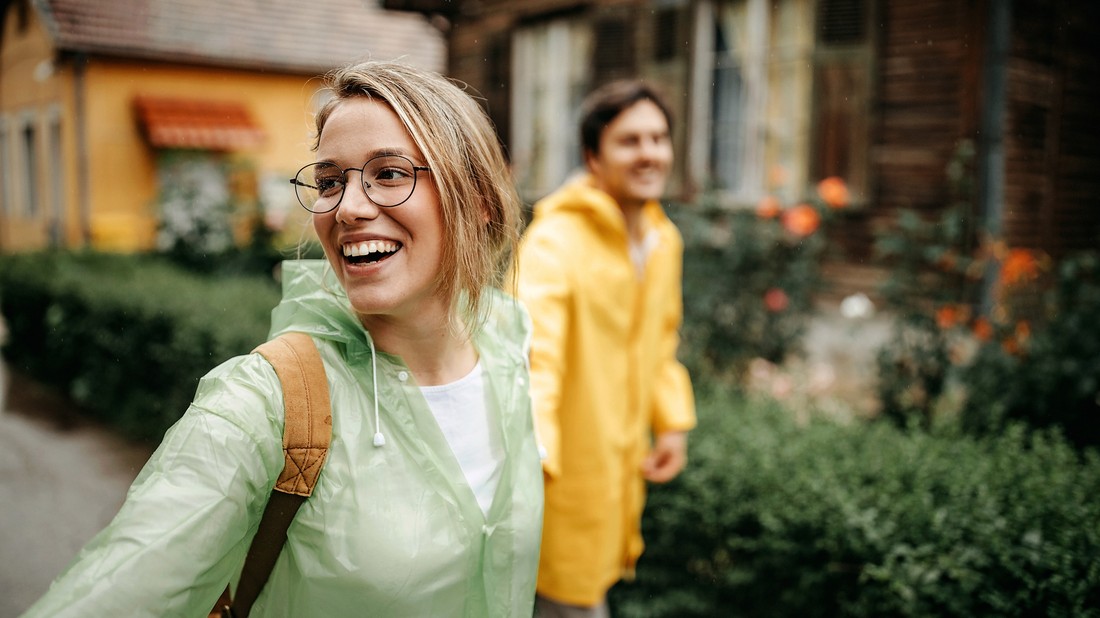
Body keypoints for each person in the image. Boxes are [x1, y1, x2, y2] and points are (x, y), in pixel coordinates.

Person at [21, 60, 543, 617]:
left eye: (389, 174)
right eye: (330, 181)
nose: (348, 208)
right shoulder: (263, 402)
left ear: (479, 201)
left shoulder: (507, 343)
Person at [514, 80, 697, 616]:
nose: (650, 153)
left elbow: (661, 337)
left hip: (618, 479)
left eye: (659, 139)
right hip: (558, 483)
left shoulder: (663, 240)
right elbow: (532, 354)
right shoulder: (555, 242)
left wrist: (672, 422)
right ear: (594, 157)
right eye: (630, 141)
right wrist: (533, 456)